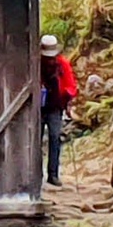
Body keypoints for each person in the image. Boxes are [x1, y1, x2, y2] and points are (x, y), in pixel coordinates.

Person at [38, 33, 78, 184]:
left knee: (55, 138)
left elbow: (71, 85)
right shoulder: (36, 64)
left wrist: (67, 97)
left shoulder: (62, 64)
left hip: (55, 107)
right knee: (36, 141)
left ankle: (53, 174)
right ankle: (37, 175)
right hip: (38, 108)